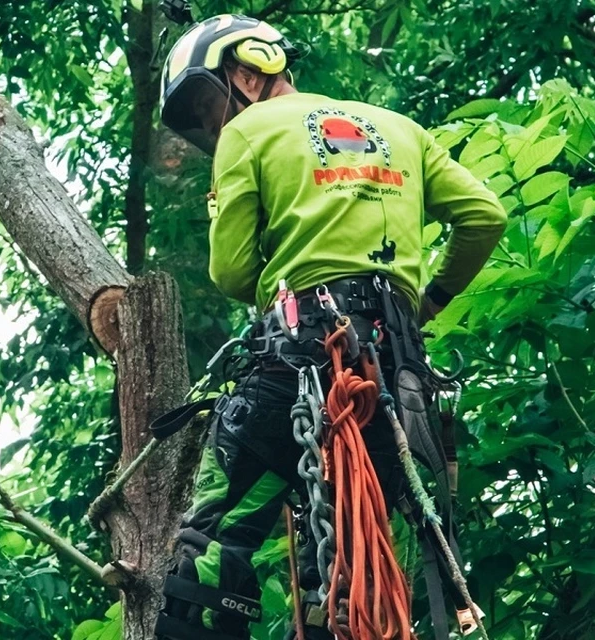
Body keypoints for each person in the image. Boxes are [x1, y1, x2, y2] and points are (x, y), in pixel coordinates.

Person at [154, 12, 506, 640]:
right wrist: (427, 301)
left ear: (252, 65)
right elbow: (483, 216)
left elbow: (232, 273)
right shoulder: (402, 130)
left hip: (294, 362)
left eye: (211, 103)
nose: (215, 124)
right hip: (396, 383)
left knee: (207, 555)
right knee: (358, 574)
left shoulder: (249, 134)